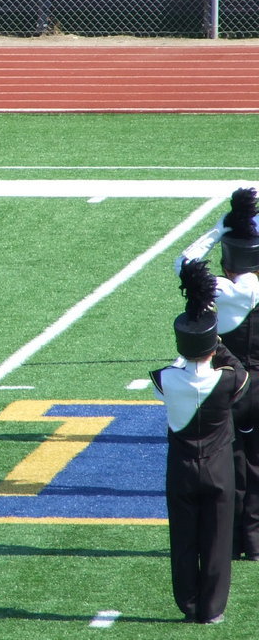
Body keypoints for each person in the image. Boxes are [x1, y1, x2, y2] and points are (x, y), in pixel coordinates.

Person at [151, 258, 250, 625]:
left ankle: (188, 603)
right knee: (218, 541)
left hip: (180, 471)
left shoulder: (165, 379)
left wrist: (194, 335)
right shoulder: (227, 381)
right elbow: (240, 374)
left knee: (184, 540)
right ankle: (211, 609)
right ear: (212, 344)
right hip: (219, 469)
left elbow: (181, 364)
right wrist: (216, 340)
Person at [174, 187, 259, 559]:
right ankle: (256, 543)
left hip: (231, 384)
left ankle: (235, 540)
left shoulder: (222, 290)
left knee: (231, 461)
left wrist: (219, 228)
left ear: (227, 265)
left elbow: (185, 262)